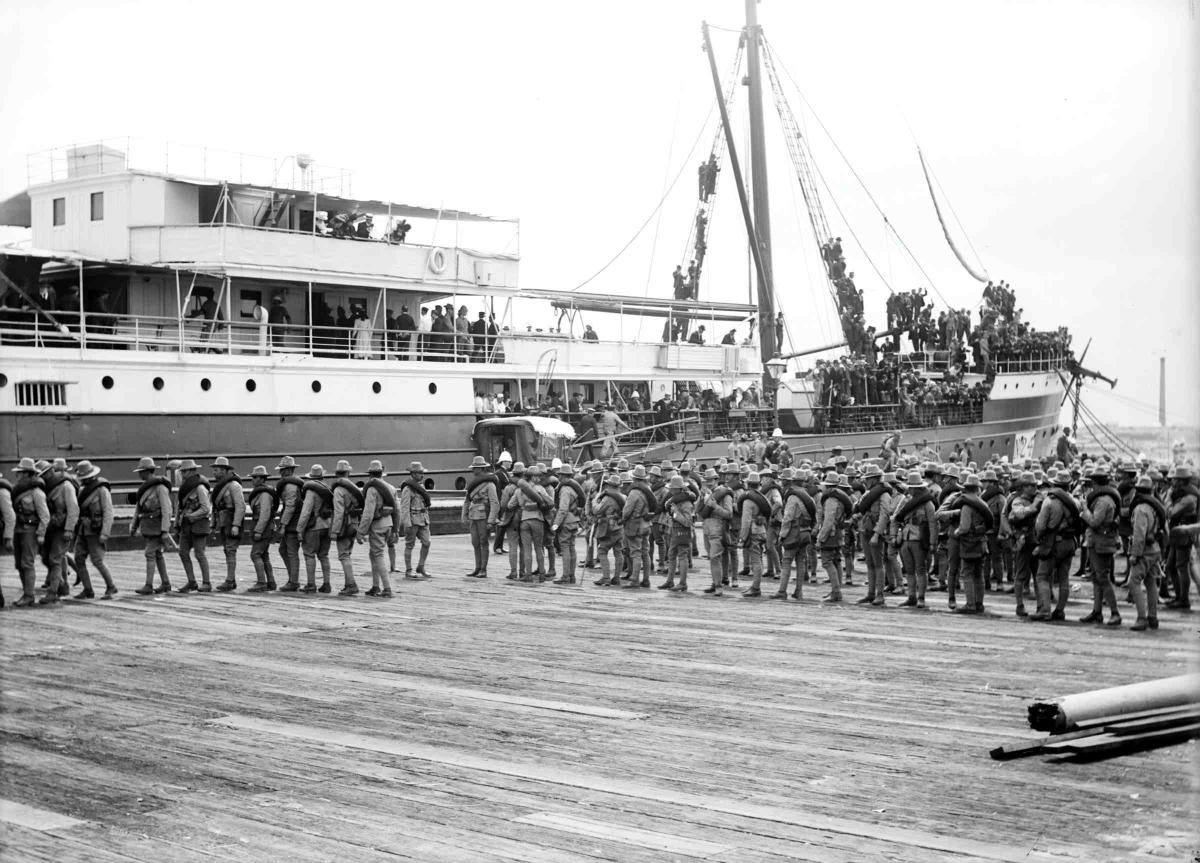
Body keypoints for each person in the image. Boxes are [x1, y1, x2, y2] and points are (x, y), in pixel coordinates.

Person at [1029, 469, 1078, 621]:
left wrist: (1039, 539)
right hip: (1070, 542)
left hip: (1053, 543)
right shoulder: (1075, 501)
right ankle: (1060, 610)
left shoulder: (1049, 501)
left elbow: (1040, 526)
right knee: (1064, 577)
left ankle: (1044, 610)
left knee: (1042, 576)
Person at [1078, 463, 1122, 625]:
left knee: (1102, 577)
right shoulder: (1107, 498)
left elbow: (1095, 522)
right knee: (1097, 577)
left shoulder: (1103, 501)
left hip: (1101, 542)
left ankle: (1115, 612)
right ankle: (1097, 612)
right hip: (1098, 541)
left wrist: (1084, 510)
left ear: (1096, 483)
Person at [71, 460, 117, 599]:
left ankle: (111, 586)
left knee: (97, 560)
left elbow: (108, 512)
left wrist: (105, 532)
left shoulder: (101, 490)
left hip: (95, 530)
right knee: (78, 558)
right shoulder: (82, 490)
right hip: (83, 529)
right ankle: (88, 589)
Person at [9, 458, 49, 607]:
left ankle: (29, 595)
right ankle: (26, 592)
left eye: (20, 472)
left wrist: (41, 534)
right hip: (18, 530)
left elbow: (45, 516)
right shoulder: (18, 489)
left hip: (30, 531)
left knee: (27, 563)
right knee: (19, 564)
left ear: (27, 474)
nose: (17, 475)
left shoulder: (36, 492)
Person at [1127, 474, 1166, 631]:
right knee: (1150, 583)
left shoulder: (1140, 509)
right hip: (1154, 548)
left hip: (1144, 551)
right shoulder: (1155, 506)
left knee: (1133, 582)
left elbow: (1139, 535)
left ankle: (1141, 618)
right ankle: (1153, 617)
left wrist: (1134, 555)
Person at [357, 460, 401, 597]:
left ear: (370, 474)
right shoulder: (391, 488)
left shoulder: (371, 489)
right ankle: (375, 586)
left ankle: (387, 588)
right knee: (374, 555)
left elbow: (368, 513)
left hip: (377, 526)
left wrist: (361, 531)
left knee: (378, 555)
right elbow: (397, 510)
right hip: (388, 524)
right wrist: (396, 529)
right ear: (382, 473)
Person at [130, 457, 173, 595]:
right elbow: (139, 508)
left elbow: (167, 509)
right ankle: (165, 583)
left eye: (141, 471)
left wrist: (165, 530)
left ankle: (148, 585)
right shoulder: (144, 488)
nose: (139, 474)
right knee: (157, 554)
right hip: (148, 526)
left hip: (157, 526)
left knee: (149, 553)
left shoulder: (160, 488)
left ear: (146, 471)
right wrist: (134, 525)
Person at [951, 473, 992, 614]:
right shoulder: (983, 504)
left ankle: (970, 604)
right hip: (982, 543)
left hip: (969, 544)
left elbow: (964, 527)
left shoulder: (967, 506)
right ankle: (979, 603)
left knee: (967, 573)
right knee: (978, 573)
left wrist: (955, 533)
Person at [39, 458, 78, 604]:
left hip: (62, 528)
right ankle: (63, 586)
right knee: (51, 558)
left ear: (50, 472)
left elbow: (73, 509)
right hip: (51, 527)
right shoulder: (46, 487)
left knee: (55, 559)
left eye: (44, 474)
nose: (42, 477)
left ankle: (53, 592)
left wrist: (69, 529)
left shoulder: (66, 486)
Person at [854, 464, 892, 607]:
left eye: (869, 479)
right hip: (865, 530)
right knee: (870, 564)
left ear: (875, 479)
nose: (866, 481)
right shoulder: (869, 494)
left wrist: (877, 534)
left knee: (878, 564)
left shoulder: (883, 494)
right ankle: (870, 593)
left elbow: (884, 515)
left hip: (875, 532)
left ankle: (879, 595)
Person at [174, 459, 213, 593]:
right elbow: (180, 506)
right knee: (183, 552)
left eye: (185, 471)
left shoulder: (199, 487)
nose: (183, 474)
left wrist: (192, 516)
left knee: (199, 554)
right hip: (186, 525)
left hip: (199, 525)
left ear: (192, 471)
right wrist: (176, 523)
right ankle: (191, 582)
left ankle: (206, 582)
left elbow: (206, 508)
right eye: (182, 471)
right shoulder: (185, 487)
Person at [296, 464, 334, 593]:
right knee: (324, 555)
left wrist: (299, 529)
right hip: (327, 525)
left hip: (314, 527)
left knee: (309, 554)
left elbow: (306, 511)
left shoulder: (311, 490)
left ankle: (311, 584)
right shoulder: (328, 488)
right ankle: (327, 583)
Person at [1165, 465, 1198, 610]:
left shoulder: (1188, 498)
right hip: (1178, 533)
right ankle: (1179, 596)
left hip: (1183, 534)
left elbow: (1171, 512)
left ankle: (1184, 599)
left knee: (1181, 567)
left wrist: (1168, 498)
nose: (1172, 482)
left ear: (1181, 481)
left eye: (1175, 479)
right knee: (1171, 566)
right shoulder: (1183, 494)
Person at [210, 457, 246, 592]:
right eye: (213, 470)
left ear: (225, 471)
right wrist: (213, 524)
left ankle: (230, 580)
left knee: (230, 550)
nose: (214, 473)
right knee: (227, 550)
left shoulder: (234, 486)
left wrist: (236, 525)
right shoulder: (219, 487)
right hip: (223, 522)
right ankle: (231, 579)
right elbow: (215, 507)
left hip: (231, 522)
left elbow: (240, 506)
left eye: (217, 470)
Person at [330, 460, 364, 596]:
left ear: (337, 473)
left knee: (343, 555)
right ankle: (348, 584)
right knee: (348, 554)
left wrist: (334, 531)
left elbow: (338, 512)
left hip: (344, 525)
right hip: (354, 524)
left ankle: (351, 585)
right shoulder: (353, 488)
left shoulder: (338, 490)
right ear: (348, 472)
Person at [462, 456, 499, 578]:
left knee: (483, 542)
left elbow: (494, 503)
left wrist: (491, 520)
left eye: (476, 468)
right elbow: (467, 500)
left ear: (482, 469)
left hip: (483, 516)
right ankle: (477, 568)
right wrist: (464, 515)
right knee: (475, 542)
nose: (473, 470)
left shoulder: (490, 484)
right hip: (473, 516)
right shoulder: (473, 484)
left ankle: (483, 569)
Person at [816, 471, 851, 602]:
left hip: (830, 534)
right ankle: (836, 590)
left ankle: (836, 592)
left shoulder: (831, 499)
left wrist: (820, 538)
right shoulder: (841, 498)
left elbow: (828, 520)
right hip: (838, 533)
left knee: (827, 561)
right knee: (836, 561)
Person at [620, 465, 655, 589]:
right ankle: (646, 579)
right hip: (646, 524)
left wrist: (622, 520)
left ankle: (634, 579)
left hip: (635, 525)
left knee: (635, 553)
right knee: (645, 553)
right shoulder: (648, 489)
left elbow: (627, 511)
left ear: (634, 478)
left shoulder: (634, 492)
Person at [245, 466, 278, 592]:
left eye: (254, 477)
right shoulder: (262, 492)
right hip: (264, 526)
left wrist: (258, 530)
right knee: (264, 555)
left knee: (255, 554)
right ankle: (270, 582)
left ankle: (261, 582)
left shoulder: (264, 494)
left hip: (263, 527)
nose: (252, 480)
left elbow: (265, 514)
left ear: (261, 478)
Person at [275, 456, 305, 592]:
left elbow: (290, 506)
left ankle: (293, 581)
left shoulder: (290, 486)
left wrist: (283, 525)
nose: (281, 472)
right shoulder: (292, 484)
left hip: (293, 523)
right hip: (293, 521)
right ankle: (292, 578)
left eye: (284, 469)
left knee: (291, 552)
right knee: (284, 550)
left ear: (290, 470)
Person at [550, 464, 583, 585]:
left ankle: (565, 576)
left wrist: (556, 524)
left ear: (562, 476)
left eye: (560, 475)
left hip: (566, 521)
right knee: (571, 548)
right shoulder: (574, 487)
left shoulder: (564, 489)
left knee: (565, 548)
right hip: (574, 520)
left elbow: (563, 509)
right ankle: (572, 575)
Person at [399, 461, 432, 578]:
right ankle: (408, 570)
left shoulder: (421, 487)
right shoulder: (408, 489)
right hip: (413, 519)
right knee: (409, 545)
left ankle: (421, 566)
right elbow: (404, 507)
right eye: (419, 473)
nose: (422, 475)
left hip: (423, 519)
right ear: (413, 474)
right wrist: (406, 523)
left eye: (422, 473)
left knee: (427, 542)